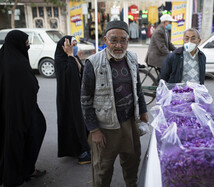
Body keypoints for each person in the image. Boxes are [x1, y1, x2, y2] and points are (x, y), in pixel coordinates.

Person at [81, 20, 148, 187]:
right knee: (103, 169)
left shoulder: (132, 58)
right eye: (114, 40)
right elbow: (85, 99)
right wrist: (94, 130)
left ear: (128, 40)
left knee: (132, 162)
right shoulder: (93, 63)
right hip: (105, 127)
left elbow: (138, 87)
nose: (118, 45)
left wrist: (143, 110)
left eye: (123, 40)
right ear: (105, 40)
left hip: (130, 122)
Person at [0, 30, 46, 186]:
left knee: (11, 141)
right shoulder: (18, 64)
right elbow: (32, 86)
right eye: (26, 43)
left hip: (8, 109)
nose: (28, 46)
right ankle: (24, 171)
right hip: (22, 111)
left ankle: (22, 170)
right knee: (32, 134)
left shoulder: (4, 57)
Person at [54, 36, 91, 164]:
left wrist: (73, 58)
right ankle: (81, 153)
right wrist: (70, 55)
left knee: (80, 123)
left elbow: (82, 73)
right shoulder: (61, 60)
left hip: (78, 97)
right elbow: (70, 76)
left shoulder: (73, 58)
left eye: (75, 44)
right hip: (68, 99)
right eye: (72, 44)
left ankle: (81, 148)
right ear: (64, 47)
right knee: (73, 123)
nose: (74, 47)